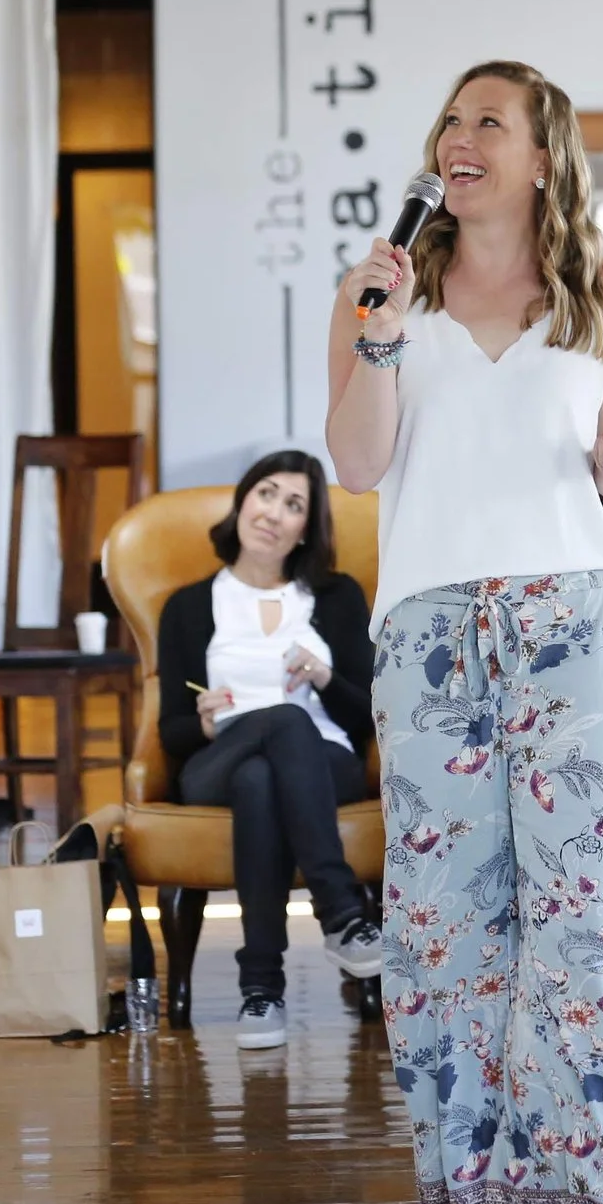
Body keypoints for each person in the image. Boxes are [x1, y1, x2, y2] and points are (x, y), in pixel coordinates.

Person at [326, 60, 603, 1204]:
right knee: (446, 938)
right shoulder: (383, 289)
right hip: (430, 633)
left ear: (539, 153)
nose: (459, 139)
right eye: (451, 120)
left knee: (575, 936)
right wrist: (377, 328)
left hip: (573, 618)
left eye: (487, 121)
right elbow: (358, 462)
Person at [157, 450, 383, 1051]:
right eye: (266, 493)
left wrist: (325, 678)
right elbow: (171, 733)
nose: (274, 513)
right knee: (270, 736)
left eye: (294, 505)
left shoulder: (335, 599)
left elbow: (368, 718)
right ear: (242, 502)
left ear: (306, 528)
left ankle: (261, 991)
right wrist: (203, 726)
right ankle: (341, 914)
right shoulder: (187, 606)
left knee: (263, 778)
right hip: (215, 761)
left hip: (325, 761)